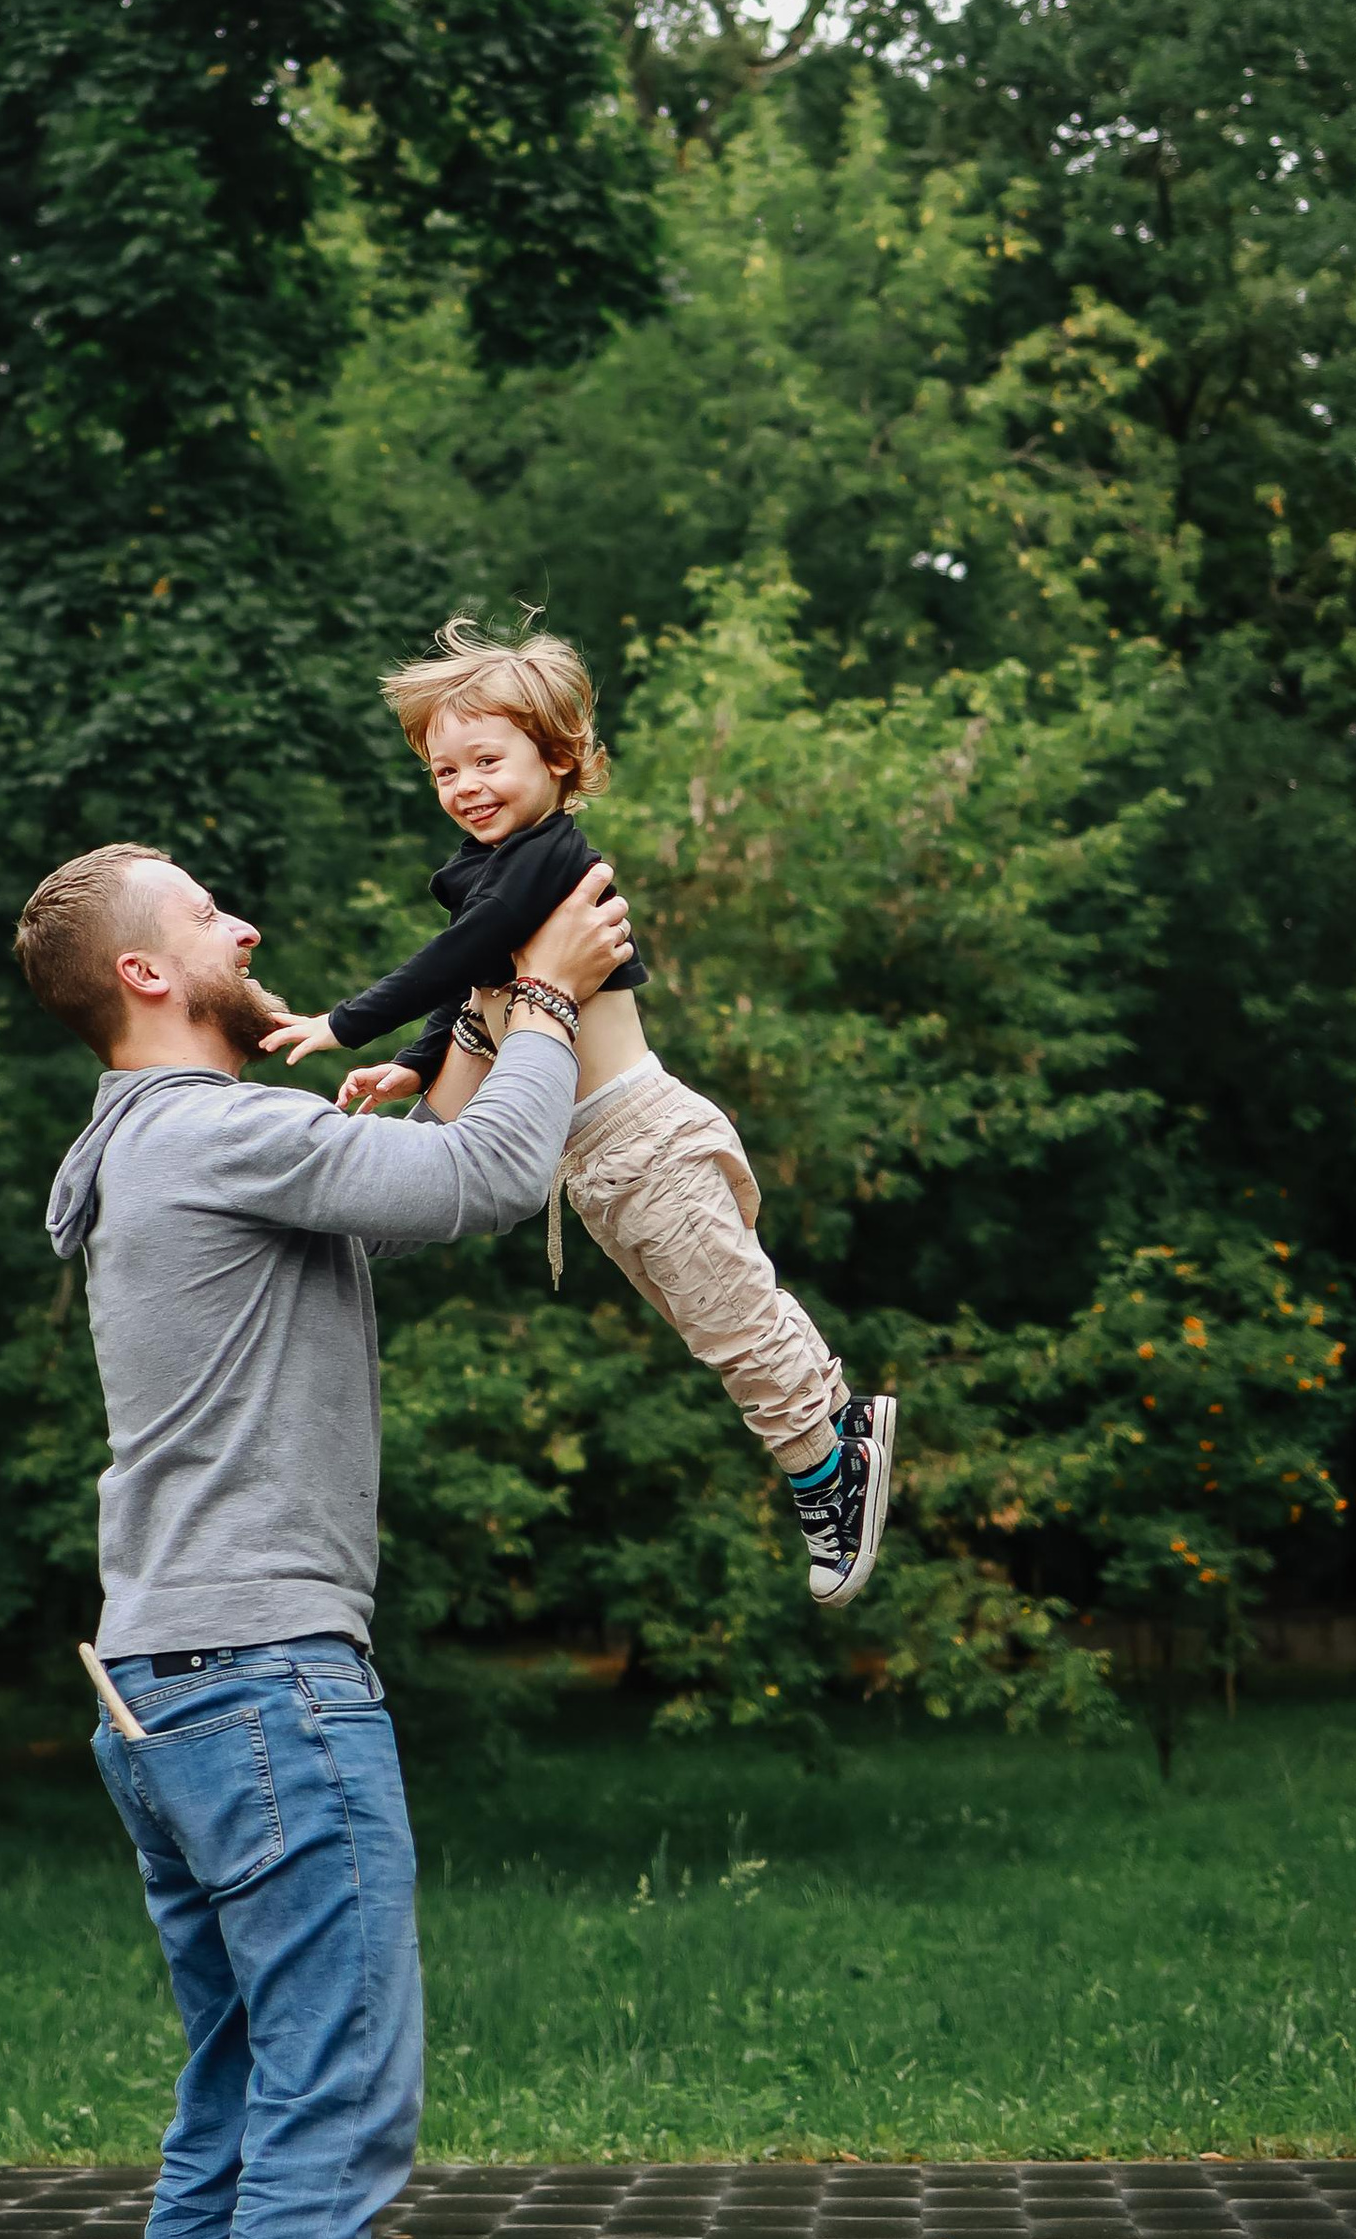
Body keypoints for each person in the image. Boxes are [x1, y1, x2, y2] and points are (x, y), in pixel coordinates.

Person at [14, 834, 633, 2239]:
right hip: (272, 1688)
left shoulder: (141, 1157)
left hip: (164, 1684)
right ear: (142, 977)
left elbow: (410, 1167)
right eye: (210, 914)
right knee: (325, 2128)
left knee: (229, 2122)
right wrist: (548, 988)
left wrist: (449, 1040)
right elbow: (496, 1175)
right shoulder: (204, 1131)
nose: (249, 930)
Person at [261, 614, 896, 1610]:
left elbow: (456, 960)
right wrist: (411, 1064)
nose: (463, 785)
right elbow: (479, 980)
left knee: (730, 1324)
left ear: (557, 761)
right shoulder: (494, 878)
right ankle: (834, 1434)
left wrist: (344, 1024)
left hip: (645, 1142)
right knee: (709, 1323)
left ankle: (830, 1466)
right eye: (443, 772)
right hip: (592, 1164)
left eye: (486, 759)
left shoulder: (547, 861)